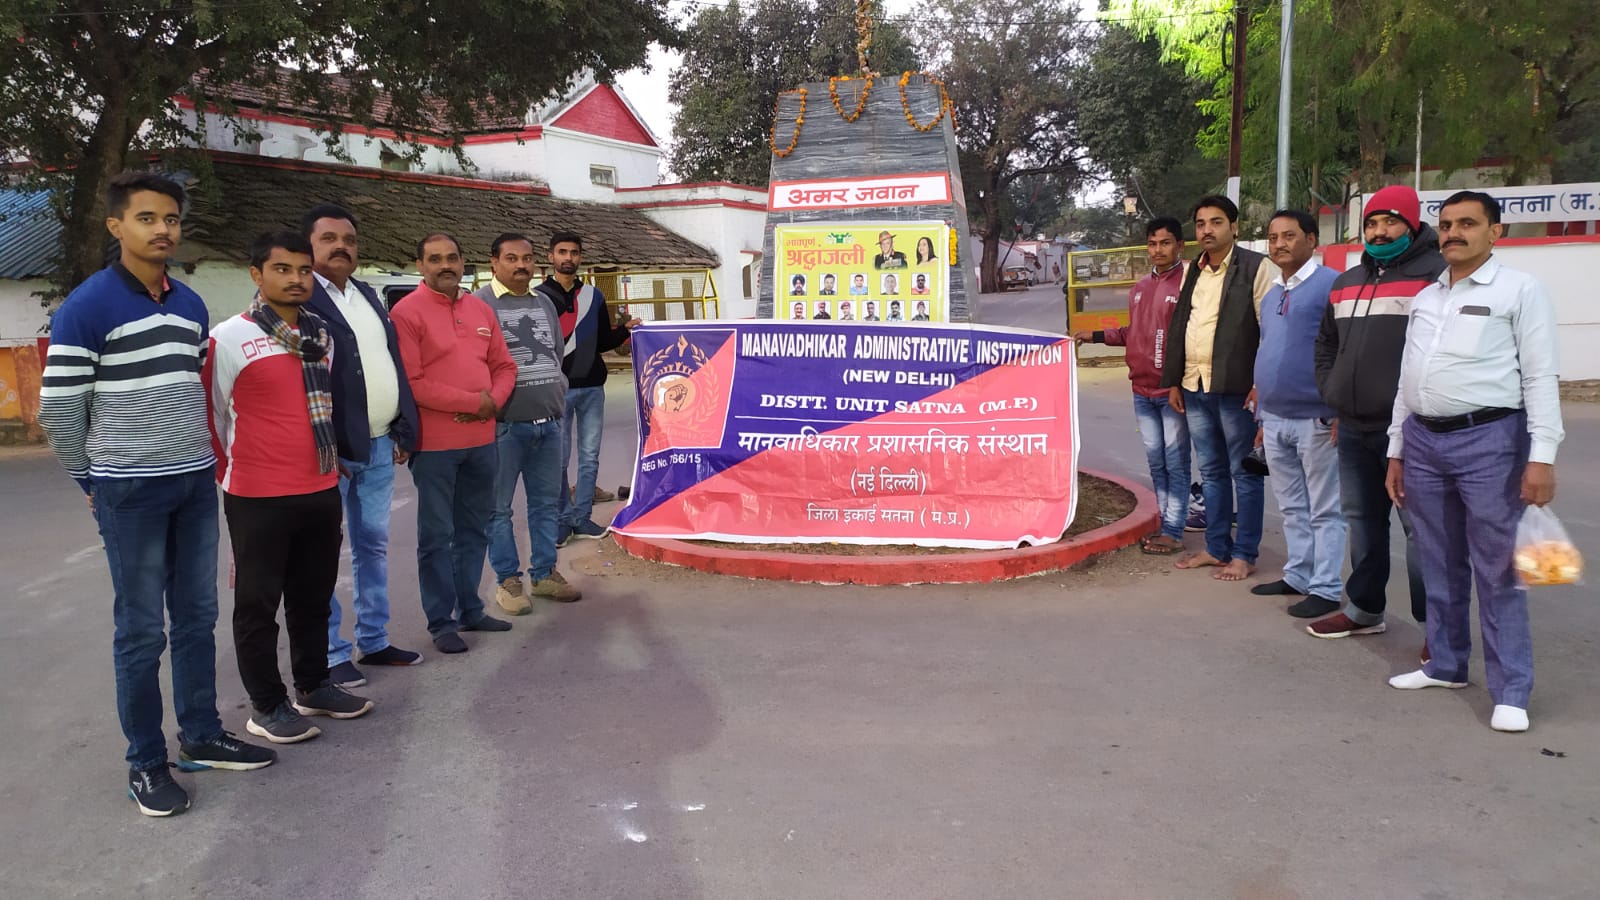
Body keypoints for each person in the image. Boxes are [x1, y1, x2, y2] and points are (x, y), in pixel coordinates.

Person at [39, 172, 275, 817]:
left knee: (196, 617)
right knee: (142, 632)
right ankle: (146, 762)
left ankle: (200, 735)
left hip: (193, 482)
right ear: (116, 226)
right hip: (130, 491)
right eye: (146, 218)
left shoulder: (190, 305)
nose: (162, 229)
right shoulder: (87, 307)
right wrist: (92, 480)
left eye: (170, 218)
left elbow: (191, 389)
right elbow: (59, 410)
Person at [1384, 191, 1563, 734]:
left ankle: (1511, 690)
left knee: (1498, 567)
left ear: (1495, 232)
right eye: (1446, 224)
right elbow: (1407, 378)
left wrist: (1542, 457)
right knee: (1437, 560)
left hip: (1490, 441)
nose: (1453, 233)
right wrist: (1396, 448)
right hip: (1423, 441)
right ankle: (1445, 664)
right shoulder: (1427, 297)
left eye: (1467, 223)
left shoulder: (1519, 290)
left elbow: (1540, 375)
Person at [207, 231, 375, 744]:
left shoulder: (321, 336)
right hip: (256, 495)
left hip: (319, 486)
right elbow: (213, 417)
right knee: (258, 605)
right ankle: (266, 705)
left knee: (313, 597)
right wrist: (233, 473)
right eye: (282, 269)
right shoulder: (229, 337)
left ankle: (314, 685)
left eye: (304, 270)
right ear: (256, 274)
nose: (296, 279)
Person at [1308, 185, 1441, 646]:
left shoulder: (1437, 277)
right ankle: (1364, 609)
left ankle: (1438, 632)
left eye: (1390, 221)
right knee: (1362, 522)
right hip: (1353, 426)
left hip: (1411, 430)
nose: (1379, 231)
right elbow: (1326, 343)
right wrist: (1333, 392)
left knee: (1421, 532)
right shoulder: (1347, 282)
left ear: (1412, 224)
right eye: (1371, 223)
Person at [300, 203, 424, 689]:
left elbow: (389, 361)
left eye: (348, 240)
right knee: (323, 553)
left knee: (372, 544)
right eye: (329, 239)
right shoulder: (301, 297)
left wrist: (402, 424)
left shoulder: (367, 294)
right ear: (308, 246)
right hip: (331, 452)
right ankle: (330, 653)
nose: (341, 247)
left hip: (377, 444)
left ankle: (373, 639)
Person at [391, 233, 518, 654]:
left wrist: (492, 402)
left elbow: (504, 366)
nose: (445, 265)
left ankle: (471, 609)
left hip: (482, 441)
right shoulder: (406, 312)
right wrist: (474, 403)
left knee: (474, 529)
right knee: (436, 536)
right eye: (435, 259)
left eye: (452, 258)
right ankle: (441, 621)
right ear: (420, 265)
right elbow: (412, 382)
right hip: (435, 446)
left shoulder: (480, 309)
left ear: (463, 262)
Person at [1161, 194, 1276, 582]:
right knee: (1210, 472)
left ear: (1234, 227)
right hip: (1194, 385)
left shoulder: (1256, 267)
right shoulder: (1194, 270)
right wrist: (1174, 380)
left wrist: (1260, 383)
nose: (1207, 230)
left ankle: (1244, 554)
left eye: (1216, 222)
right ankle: (1216, 548)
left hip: (1236, 387)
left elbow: (1270, 330)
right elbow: (1183, 325)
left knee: (1244, 472)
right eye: (1200, 223)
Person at [477, 233, 581, 612]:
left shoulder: (544, 303)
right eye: (511, 258)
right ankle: (508, 581)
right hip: (504, 426)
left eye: (527, 258)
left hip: (549, 423)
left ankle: (544, 574)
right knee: (497, 508)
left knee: (545, 506)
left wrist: (556, 388)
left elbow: (555, 351)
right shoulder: (480, 304)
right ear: (494, 262)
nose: (521, 265)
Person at [1073, 217, 1190, 555]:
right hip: (1141, 390)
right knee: (1157, 462)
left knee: (1176, 463)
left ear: (1179, 246)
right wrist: (1094, 336)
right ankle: (1165, 521)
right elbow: (1132, 333)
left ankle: (1174, 530)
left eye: (1165, 243)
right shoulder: (1140, 288)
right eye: (1152, 244)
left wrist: (1178, 382)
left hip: (1172, 392)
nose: (1158, 250)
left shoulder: (1188, 285)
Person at [1251, 210, 1344, 618]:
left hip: (1317, 417)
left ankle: (1326, 587)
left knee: (1325, 508)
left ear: (1311, 239)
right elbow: (1268, 349)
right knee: (1291, 506)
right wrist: (1261, 414)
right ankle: (1298, 575)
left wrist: (1340, 407)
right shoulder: (1272, 294)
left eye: (1289, 236)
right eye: (1273, 238)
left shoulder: (1332, 286)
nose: (1279, 244)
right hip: (1274, 417)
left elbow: (1345, 349)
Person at [535, 231, 638, 544]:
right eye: (562, 252)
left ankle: (582, 519)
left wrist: (625, 330)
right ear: (551, 256)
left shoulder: (594, 296)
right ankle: (562, 521)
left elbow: (603, 341)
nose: (568, 258)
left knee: (590, 457)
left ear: (580, 257)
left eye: (574, 252)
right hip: (556, 390)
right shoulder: (538, 298)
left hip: (593, 387)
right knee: (558, 458)